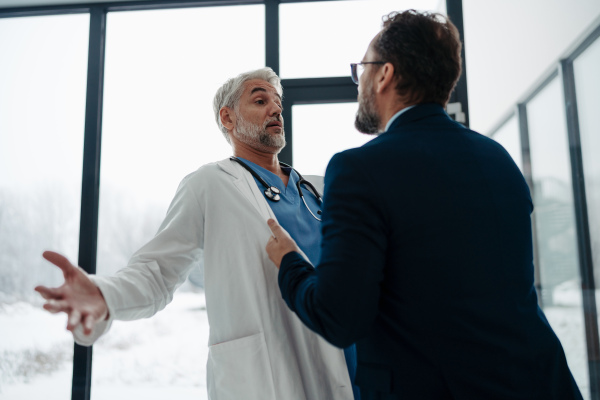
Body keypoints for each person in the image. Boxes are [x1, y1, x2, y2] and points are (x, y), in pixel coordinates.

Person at [265, 10, 583, 400]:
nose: (358, 80)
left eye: (361, 68)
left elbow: (339, 317)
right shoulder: (497, 159)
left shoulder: (358, 169)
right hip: (543, 384)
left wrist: (290, 261)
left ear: (384, 75)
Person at [35, 67, 358, 400]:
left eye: (277, 103)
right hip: (269, 375)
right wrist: (105, 295)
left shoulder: (320, 189)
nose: (276, 109)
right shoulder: (210, 185)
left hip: (349, 362)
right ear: (228, 118)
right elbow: (157, 273)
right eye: (260, 100)